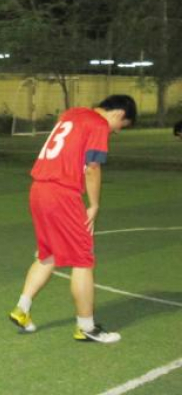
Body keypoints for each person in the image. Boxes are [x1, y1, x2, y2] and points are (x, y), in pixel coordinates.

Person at [9, 94, 137, 344]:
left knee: (49, 254)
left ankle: (21, 309)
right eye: (121, 126)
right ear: (119, 114)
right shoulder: (98, 124)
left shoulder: (72, 114)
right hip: (61, 193)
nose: (116, 131)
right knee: (82, 260)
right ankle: (86, 327)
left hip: (38, 189)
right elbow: (92, 167)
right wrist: (95, 204)